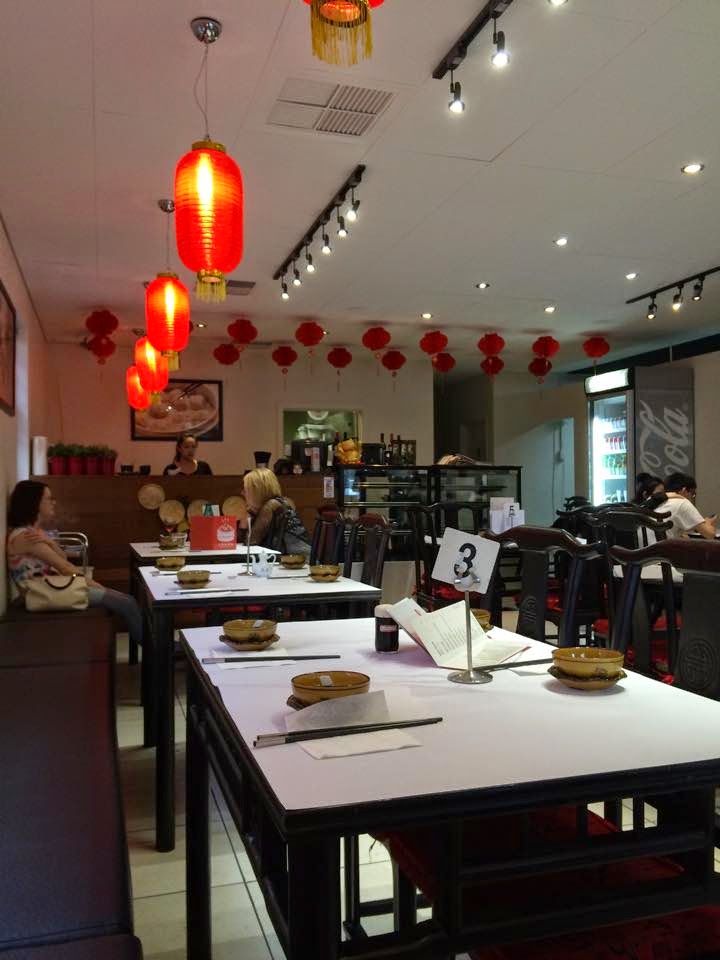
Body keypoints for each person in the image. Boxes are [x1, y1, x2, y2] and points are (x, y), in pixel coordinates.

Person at [6, 480, 143, 647]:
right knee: (127, 602)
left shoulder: (33, 534)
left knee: (126, 600)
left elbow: (62, 557)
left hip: (51, 589)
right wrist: (97, 586)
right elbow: (65, 567)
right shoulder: (27, 537)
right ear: (35, 503)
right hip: (46, 593)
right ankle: (156, 650)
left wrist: (48, 541)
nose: (53, 502)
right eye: (49, 498)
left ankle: (154, 647)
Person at [239, 468, 310, 555]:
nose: (242, 493)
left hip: (298, 560)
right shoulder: (274, 504)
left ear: (257, 491)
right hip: (291, 558)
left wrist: (245, 520)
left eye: (246, 490)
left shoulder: (271, 505)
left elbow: (250, 542)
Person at [659, 472, 716, 539]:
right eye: (692, 494)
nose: (692, 498)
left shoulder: (654, 500)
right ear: (684, 490)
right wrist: (708, 522)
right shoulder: (682, 502)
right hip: (664, 545)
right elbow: (710, 534)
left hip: (651, 545)